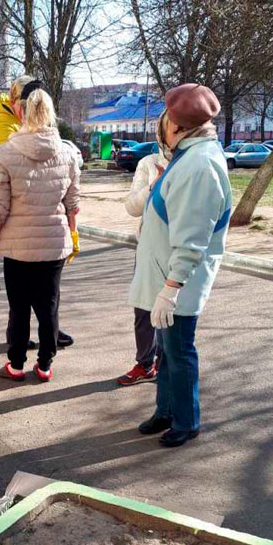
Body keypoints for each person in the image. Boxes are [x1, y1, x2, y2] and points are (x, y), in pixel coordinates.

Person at [131, 83, 232, 447]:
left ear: (175, 126)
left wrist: (170, 291)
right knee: (166, 351)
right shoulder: (188, 157)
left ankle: (186, 420)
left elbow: (192, 239)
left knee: (179, 351)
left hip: (176, 284)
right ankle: (166, 410)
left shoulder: (198, 165)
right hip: (167, 279)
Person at [0, 79, 80, 383]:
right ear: (50, 113)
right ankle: (45, 366)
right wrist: (73, 236)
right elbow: (73, 204)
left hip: (17, 248)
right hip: (54, 245)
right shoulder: (68, 154)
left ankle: (15, 364)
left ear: (20, 112)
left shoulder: (6, 154)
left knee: (18, 308)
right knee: (49, 306)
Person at [117, 126, 170, 387]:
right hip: (148, 247)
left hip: (176, 246)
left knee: (173, 312)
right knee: (143, 308)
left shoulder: (192, 162)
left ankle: (166, 361)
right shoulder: (148, 163)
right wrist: (154, 185)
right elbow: (132, 207)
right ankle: (145, 362)